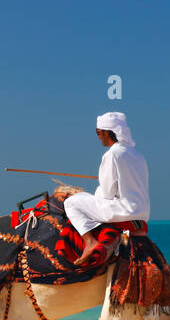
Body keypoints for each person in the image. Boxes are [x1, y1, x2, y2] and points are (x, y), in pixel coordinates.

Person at [64, 111, 150, 265]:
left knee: (71, 202)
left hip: (121, 211)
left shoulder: (112, 154)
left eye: (98, 132)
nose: (97, 136)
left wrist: (93, 193)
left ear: (106, 132)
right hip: (142, 213)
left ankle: (90, 242)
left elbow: (107, 192)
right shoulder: (137, 155)